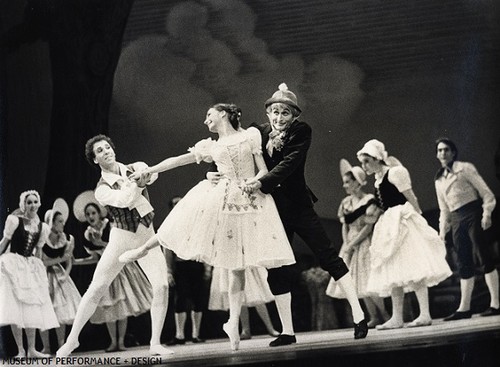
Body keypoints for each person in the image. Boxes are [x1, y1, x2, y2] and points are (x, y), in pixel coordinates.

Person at [119, 103, 296, 351]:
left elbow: (263, 170)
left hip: (251, 199)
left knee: (239, 267)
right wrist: (151, 169)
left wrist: (253, 183)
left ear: (223, 113)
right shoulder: (211, 146)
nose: (206, 121)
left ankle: (233, 323)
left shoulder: (251, 135)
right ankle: (143, 249)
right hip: (222, 197)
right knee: (184, 217)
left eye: (209, 115)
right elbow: (179, 160)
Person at [241, 83, 368, 345]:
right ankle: (287, 331)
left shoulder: (301, 131)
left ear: (294, 116)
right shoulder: (258, 133)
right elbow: (233, 146)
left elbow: (289, 163)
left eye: (285, 113)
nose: (278, 117)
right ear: (267, 112)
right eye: (274, 112)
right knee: (276, 268)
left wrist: (260, 183)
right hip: (272, 211)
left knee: (327, 255)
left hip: (298, 206)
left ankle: (359, 315)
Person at [56, 135, 172, 357]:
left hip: (147, 236)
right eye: (100, 151)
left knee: (162, 286)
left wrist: (145, 174)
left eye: (107, 147)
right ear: (95, 159)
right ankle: (72, 341)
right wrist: (137, 183)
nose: (106, 151)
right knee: (97, 287)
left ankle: (155, 342)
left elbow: (153, 173)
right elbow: (126, 200)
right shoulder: (101, 189)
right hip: (121, 239)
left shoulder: (135, 167)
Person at [356, 139, 452, 329]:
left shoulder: (395, 172)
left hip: (404, 221)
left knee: (414, 267)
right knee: (393, 270)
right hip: (389, 225)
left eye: (367, 161)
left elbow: (411, 197)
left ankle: (424, 314)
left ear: (377, 158)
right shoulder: (378, 179)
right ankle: (397, 317)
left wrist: (419, 221)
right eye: (362, 162)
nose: (364, 166)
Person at [72, 190, 154, 352]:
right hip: (105, 269)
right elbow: (96, 257)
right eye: (88, 214)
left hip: (121, 267)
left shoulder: (111, 226)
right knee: (109, 308)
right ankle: (113, 341)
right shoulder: (88, 233)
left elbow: (118, 247)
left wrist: (101, 242)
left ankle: (121, 341)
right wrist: (78, 261)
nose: (91, 216)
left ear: (99, 213)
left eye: (93, 212)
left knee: (122, 306)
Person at [434, 138, 499, 319]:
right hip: (456, 219)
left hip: (472, 214)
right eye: (439, 151)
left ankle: (496, 303)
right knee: (463, 261)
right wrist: (442, 231)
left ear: (453, 152)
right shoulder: (439, 179)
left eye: (446, 150)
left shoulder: (465, 168)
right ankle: (464, 308)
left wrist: (486, 214)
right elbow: (444, 209)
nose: (443, 153)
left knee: (483, 256)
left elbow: (487, 194)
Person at [326, 159, 390, 328]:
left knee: (369, 281)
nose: (345, 185)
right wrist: (347, 243)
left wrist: (354, 242)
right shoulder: (345, 202)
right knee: (357, 284)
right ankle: (374, 317)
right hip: (349, 245)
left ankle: (385, 314)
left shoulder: (369, 200)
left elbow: (368, 227)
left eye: (348, 182)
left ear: (357, 182)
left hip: (364, 243)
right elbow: (344, 226)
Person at [0, 190, 59, 358]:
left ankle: (32, 349)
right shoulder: (14, 221)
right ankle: (20, 350)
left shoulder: (42, 227)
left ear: (39, 204)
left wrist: (38, 271)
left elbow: (39, 253)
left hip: (29, 266)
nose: (32, 205)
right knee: (16, 307)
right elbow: (4, 243)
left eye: (35, 202)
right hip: (14, 264)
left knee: (31, 307)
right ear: (23, 205)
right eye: (29, 202)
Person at [40, 198, 82, 353]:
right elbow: (43, 261)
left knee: (61, 312)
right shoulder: (43, 239)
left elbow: (69, 260)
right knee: (44, 311)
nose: (62, 224)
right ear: (52, 222)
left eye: (62, 221)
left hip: (59, 275)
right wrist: (60, 259)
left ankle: (62, 345)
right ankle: (46, 347)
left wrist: (66, 274)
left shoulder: (65, 238)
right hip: (43, 275)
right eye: (59, 221)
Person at [164, 196, 207, 346]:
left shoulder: (196, 223)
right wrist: (168, 271)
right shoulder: (170, 225)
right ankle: (180, 335)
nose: (178, 205)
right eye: (175, 203)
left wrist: (207, 266)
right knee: (180, 300)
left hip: (196, 264)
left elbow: (204, 244)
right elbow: (167, 249)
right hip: (180, 267)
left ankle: (196, 334)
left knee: (198, 299)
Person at [209, 266, 280, 340]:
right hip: (232, 265)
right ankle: (245, 330)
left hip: (247, 265)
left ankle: (270, 328)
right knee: (239, 298)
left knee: (256, 295)